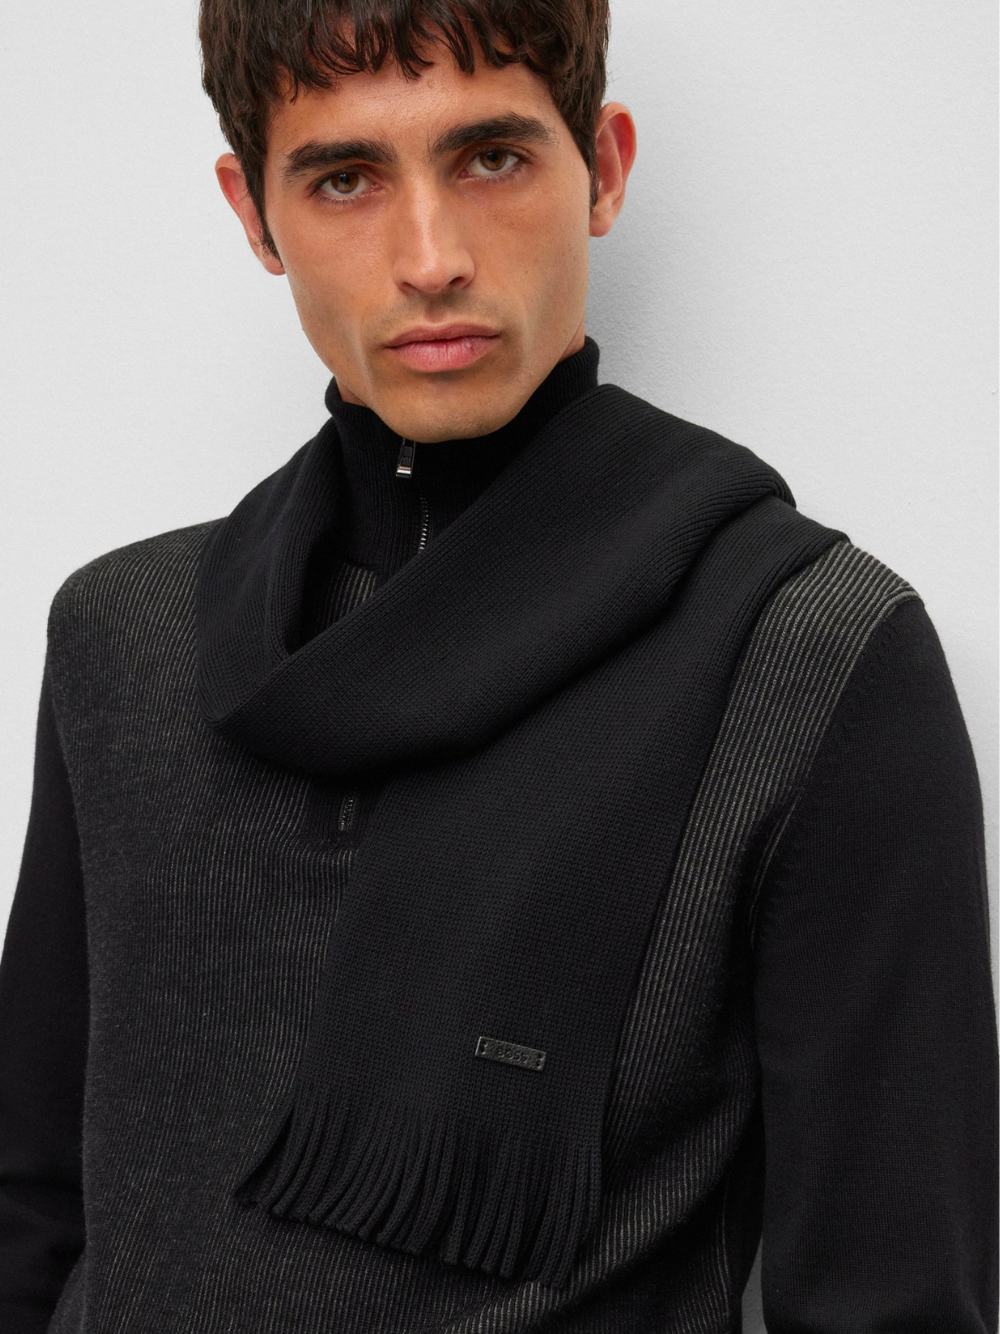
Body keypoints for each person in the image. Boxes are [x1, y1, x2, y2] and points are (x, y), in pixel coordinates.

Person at [0, 1, 996, 1330]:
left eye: (491, 158)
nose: (431, 258)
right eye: (344, 178)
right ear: (253, 213)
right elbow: (28, 1209)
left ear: (605, 167)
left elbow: (897, 1299)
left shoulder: (808, 653)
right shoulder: (126, 632)